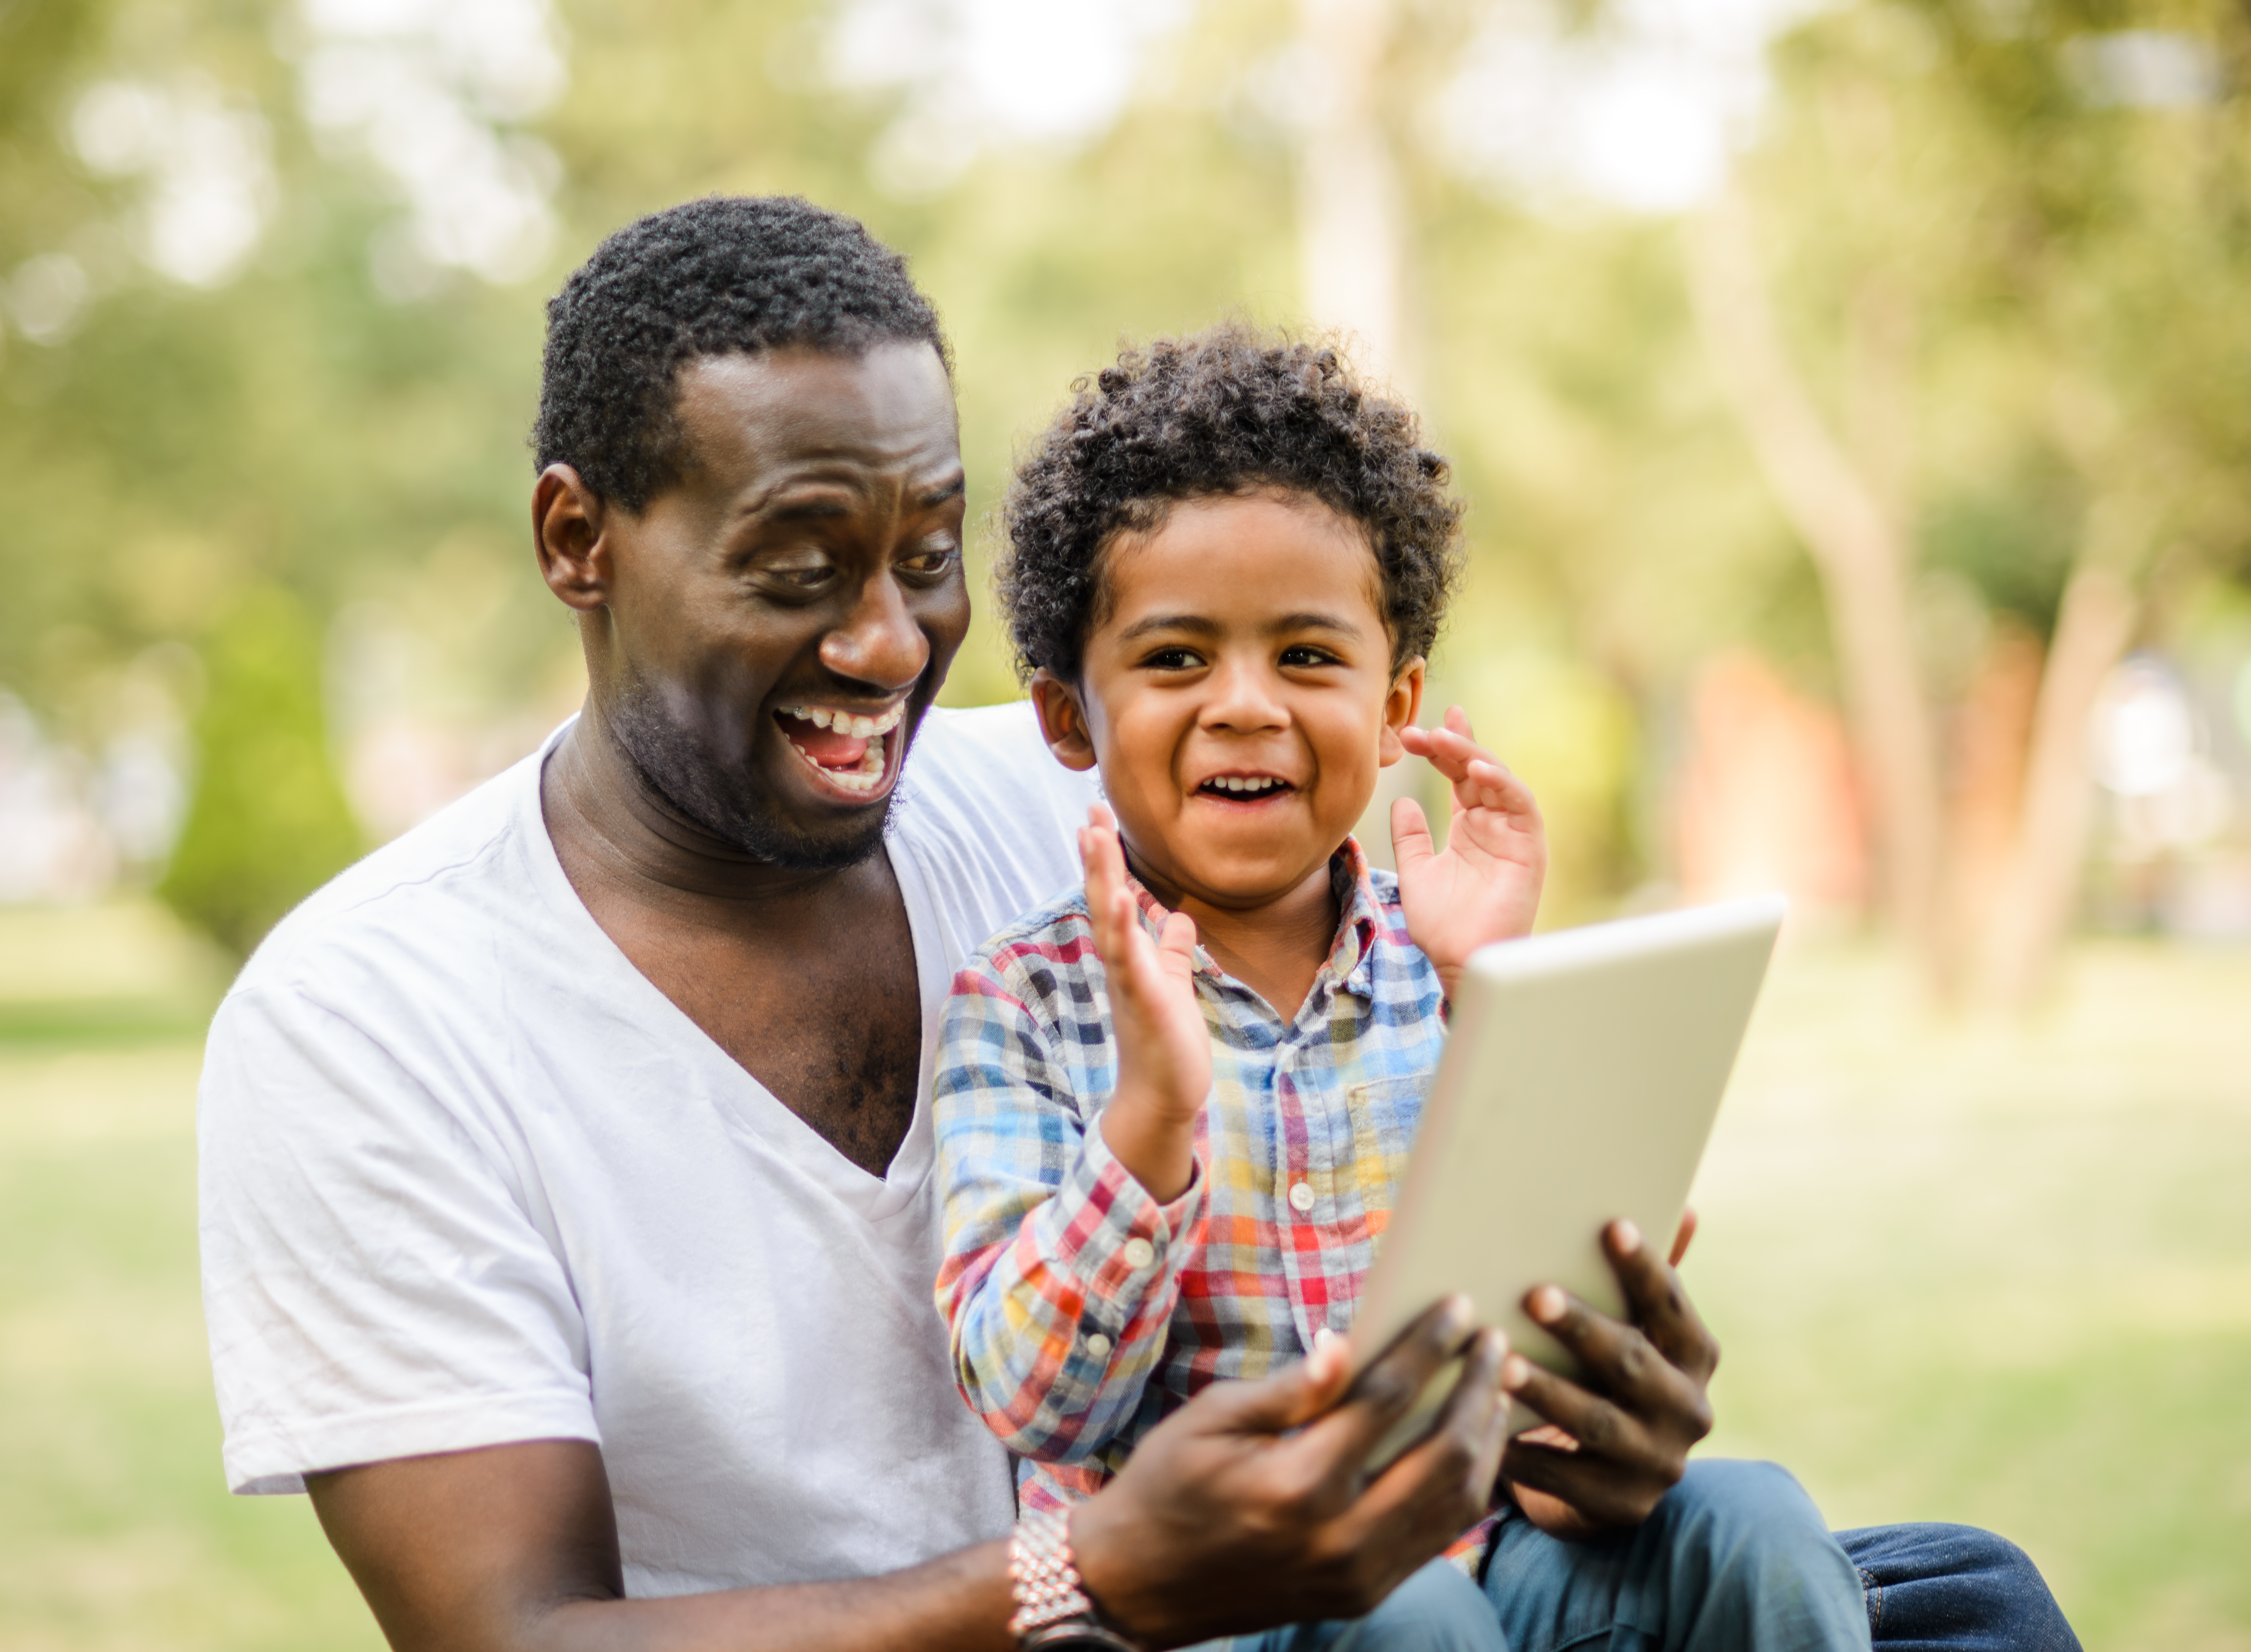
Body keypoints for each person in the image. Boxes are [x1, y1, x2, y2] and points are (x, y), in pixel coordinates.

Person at [195, 195, 2080, 1652]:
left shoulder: (1081, 793)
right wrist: (1070, 1566)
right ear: (576, 539)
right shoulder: (370, 1014)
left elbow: (1388, 1073)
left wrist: (1590, 1376)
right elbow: (507, 1632)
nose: (880, 644)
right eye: (795, 567)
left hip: (1357, 1562)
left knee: (1963, 1593)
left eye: (925, 558)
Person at [934, 325, 1872, 1649]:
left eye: (1308, 657)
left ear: (1396, 706)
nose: (1248, 705)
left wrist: (1490, 992)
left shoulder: (1452, 973)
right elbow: (1038, 1403)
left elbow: (1552, 1319)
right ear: (1066, 717)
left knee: (1760, 1523)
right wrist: (1146, 1122)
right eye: (1176, 658)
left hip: (1493, 1562)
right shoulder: (1027, 1003)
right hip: (1215, 1616)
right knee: (1408, 1615)